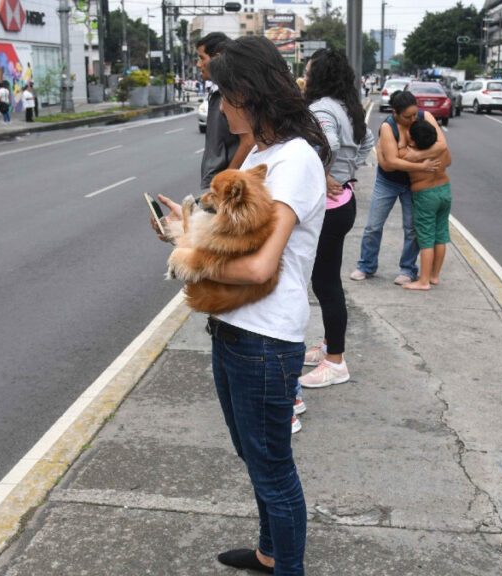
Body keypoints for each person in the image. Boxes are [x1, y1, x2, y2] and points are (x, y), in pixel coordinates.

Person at [152, 35, 329, 576]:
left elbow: (259, 267)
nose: (220, 107)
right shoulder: (260, 151)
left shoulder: (294, 161)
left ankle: (287, 567)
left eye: (226, 96)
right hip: (233, 328)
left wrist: (190, 258)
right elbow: (237, 239)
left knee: (273, 468)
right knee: (254, 457)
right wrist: (188, 232)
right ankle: (269, 552)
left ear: (250, 94)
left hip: (265, 340)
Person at [299, 48, 375, 390]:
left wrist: (322, 173)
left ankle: (336, 362)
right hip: (343, 200)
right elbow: (367, 142)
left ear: (321, 75)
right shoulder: (349, 107)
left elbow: (322, 144)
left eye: (308, 70)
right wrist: (344, 173)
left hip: (327, 206)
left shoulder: (321, 109)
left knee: (326, 285)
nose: (304, 74)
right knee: (328, 282)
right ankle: (330, 347)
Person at [351, 89, 446, 285]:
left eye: (414, 114)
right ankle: (366, 265)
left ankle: (408, 269)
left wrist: (414, 156)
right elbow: (392, 162)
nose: (413, 119)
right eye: (407, 116)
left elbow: (442, 145)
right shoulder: (388, 127)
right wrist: (421, 165)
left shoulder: (425, 116)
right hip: (388, 182)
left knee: (412, 229)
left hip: (414, 184)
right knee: (373, 226)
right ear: (395, 112)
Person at [196, 32, 254, 190]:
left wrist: (226, 180)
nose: (198, 64)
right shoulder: (218, 91)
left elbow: (249, 141)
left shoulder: (232, 92)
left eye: (202, 58)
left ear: (217, 58)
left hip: (229, 189)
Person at [399, 118, 452, 291]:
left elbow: (396, 159)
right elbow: (449, 161)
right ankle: (434, 276)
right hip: (444, 190)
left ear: (413, 140)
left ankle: (423, 281)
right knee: (441, 234)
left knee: (426, 238)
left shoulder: (409, 154)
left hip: (425, 195)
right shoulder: (441, 150)